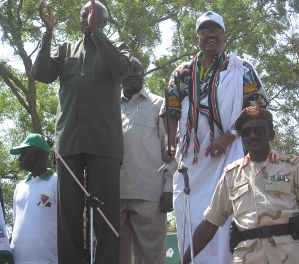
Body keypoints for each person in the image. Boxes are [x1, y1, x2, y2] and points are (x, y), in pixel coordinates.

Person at [161, 11, 268, 263]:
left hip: (231, 155)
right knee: (190, 213)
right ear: (197, 39)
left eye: (216, 30)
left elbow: (256, 108)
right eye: (205, 31)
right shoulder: (183, 72)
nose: (211, 35)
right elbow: (170, 111)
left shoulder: (240, 68)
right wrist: (168, 141)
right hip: (192, 161)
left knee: (229, 213)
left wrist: (229, 137)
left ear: (224, 37)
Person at [31, 1, 132, 263]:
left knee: (107, 217)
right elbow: (41, 73)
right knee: (68, 216)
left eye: (92, 15)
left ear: (103, 22)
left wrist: (97, 35)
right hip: (68, 143)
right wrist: (48, 32)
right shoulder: (65, 49)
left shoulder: (118, 48)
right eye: (82, 14)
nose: (85, 18)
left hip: (105, 143)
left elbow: (122, 69)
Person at [180, 106, 299, 264]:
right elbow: (210, 224)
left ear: (271, 134)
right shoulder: (231, 175)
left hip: (291, 255)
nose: (253, 136)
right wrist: (185, 261)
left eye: (259, 130)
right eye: (247, 132)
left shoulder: (293, 166)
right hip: (248, 257)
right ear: (242, 137)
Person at [119, 57, 176, 263]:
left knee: (151, 257)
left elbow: (170, 149)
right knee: (114, 256)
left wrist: (168, 187)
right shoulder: (109, 108)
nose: (133, 74)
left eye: (138, 71)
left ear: (143, 74)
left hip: (149, 194)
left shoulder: (159, 104)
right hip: (115, 194)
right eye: (128, 70)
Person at [9, 133, 57, 264]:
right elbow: (16, 222)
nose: (20, 158)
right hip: (17, 260)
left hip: (47, 260)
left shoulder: (57, 183)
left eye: (23, 153)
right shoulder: (19, 187)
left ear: (36, 154)